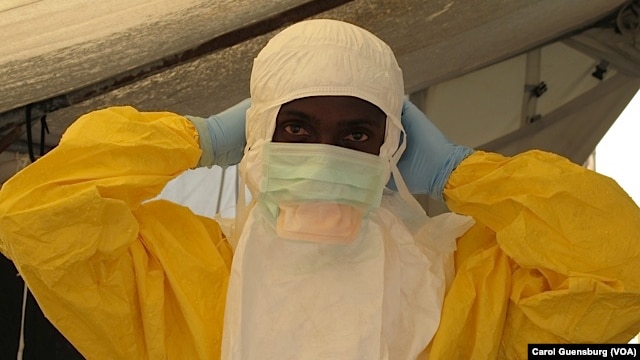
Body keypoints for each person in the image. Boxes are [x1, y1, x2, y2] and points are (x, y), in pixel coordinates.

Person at [0, 18, 639, 359]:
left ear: (393, 148)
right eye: (295, 127)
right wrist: (197, 140)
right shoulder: (182, 278)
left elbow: (621, 271)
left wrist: (460, 173)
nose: (325, 153)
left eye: (357, 134)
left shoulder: (462, 283)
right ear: (255, 136)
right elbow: (35, 213)